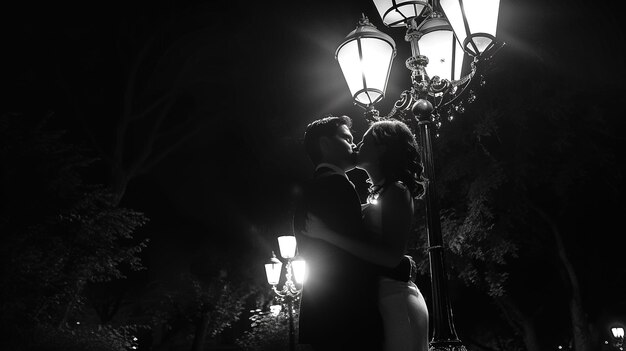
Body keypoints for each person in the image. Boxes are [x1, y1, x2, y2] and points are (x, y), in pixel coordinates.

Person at [303, 119, 430, 351]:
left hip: (395, 298)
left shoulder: (398, 190)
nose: (357, 145)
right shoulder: (377, 195)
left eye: (364, 141)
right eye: (351, 140)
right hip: (378, 297)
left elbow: (391, 257)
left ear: (382, 148)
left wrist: (328, 234)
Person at [292, 115, 384, 351]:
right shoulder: (336, 185)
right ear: (324, 144)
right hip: (347, 313)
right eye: (346, 138)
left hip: (323, 312)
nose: (353, 145)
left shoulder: (312, 187)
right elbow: (355, 254)